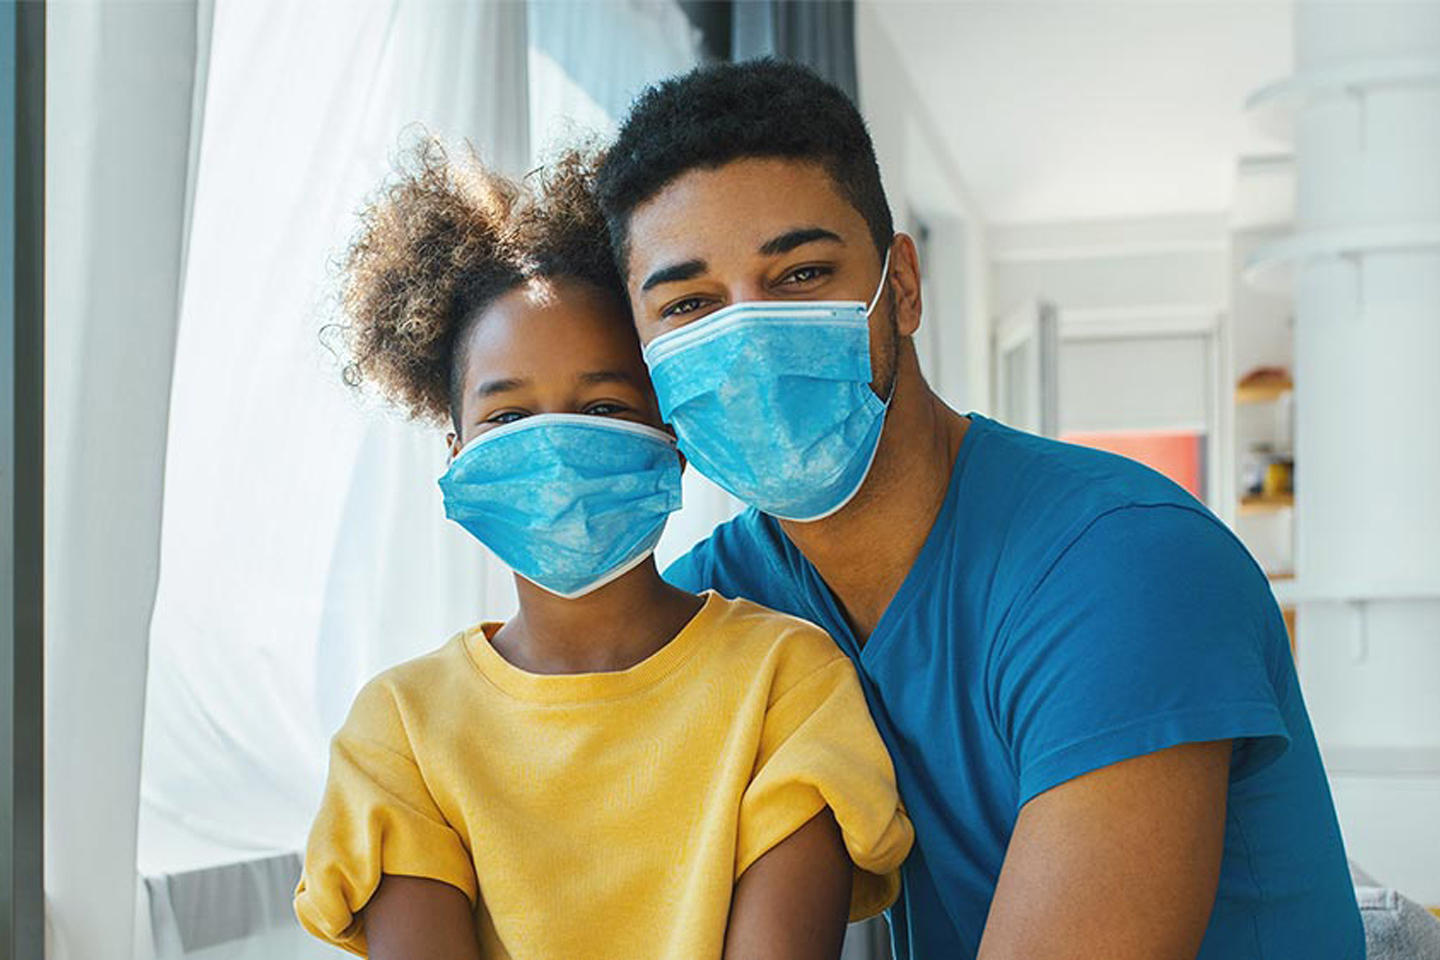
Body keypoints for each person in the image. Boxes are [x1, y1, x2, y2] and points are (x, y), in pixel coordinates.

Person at [594, 59, 1366, 960]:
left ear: (904, 287)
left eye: (801, 274)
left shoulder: (1121, 567)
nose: (748, 336)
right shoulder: (705, 613)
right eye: (688, 305)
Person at [292, 138, 913, 960]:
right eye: (509, 418)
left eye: (606, 407)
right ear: (456, 453)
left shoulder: (785, 684)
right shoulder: (401, 729)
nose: (555, 448)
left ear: (676, 432)